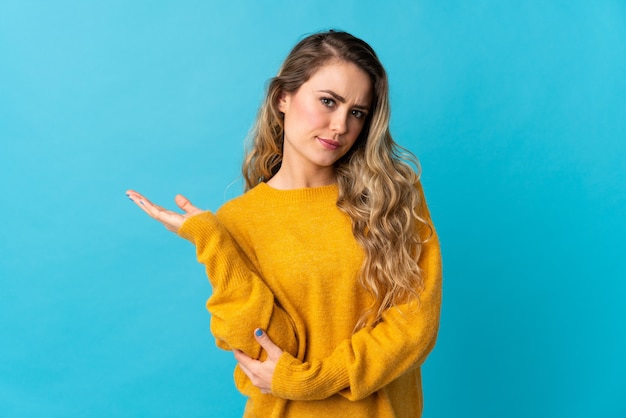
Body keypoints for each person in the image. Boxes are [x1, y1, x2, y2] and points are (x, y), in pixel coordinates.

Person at [127, 30, 442, 418]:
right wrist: (212, 242)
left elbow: (415, 327)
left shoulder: (393, 196)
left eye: (357, 112)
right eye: (328, 101)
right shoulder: (238, 221)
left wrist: (316, 379)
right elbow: (262, 352)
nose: (340, 125)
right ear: (283, 97)